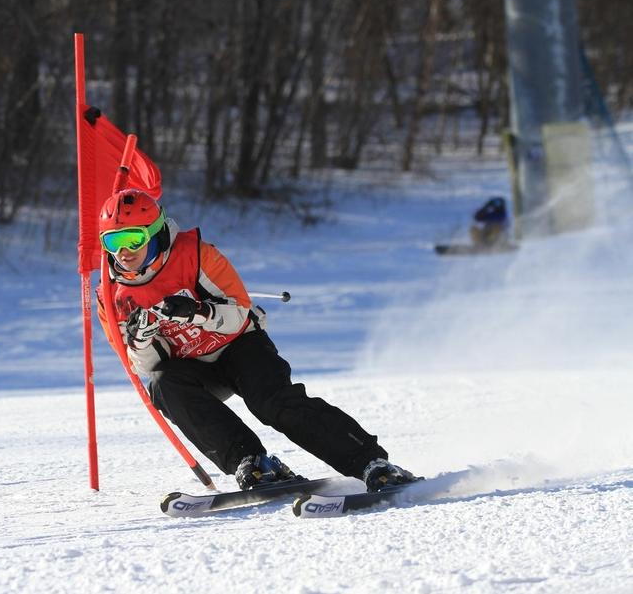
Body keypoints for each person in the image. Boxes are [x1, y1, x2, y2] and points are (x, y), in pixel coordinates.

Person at [95, 188, 419, 492]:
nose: (124, 252)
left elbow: (239, 312)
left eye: (133, 238)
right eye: (113, 242)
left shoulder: (196, 255)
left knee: (273, 403)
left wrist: (195, 311)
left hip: (239, 344)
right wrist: (142, 340)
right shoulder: (112, 297)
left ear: (155, 233)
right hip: (193, 366)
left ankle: (371, 463)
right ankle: (252, 463)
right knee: (162, 385)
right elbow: (144, 367)